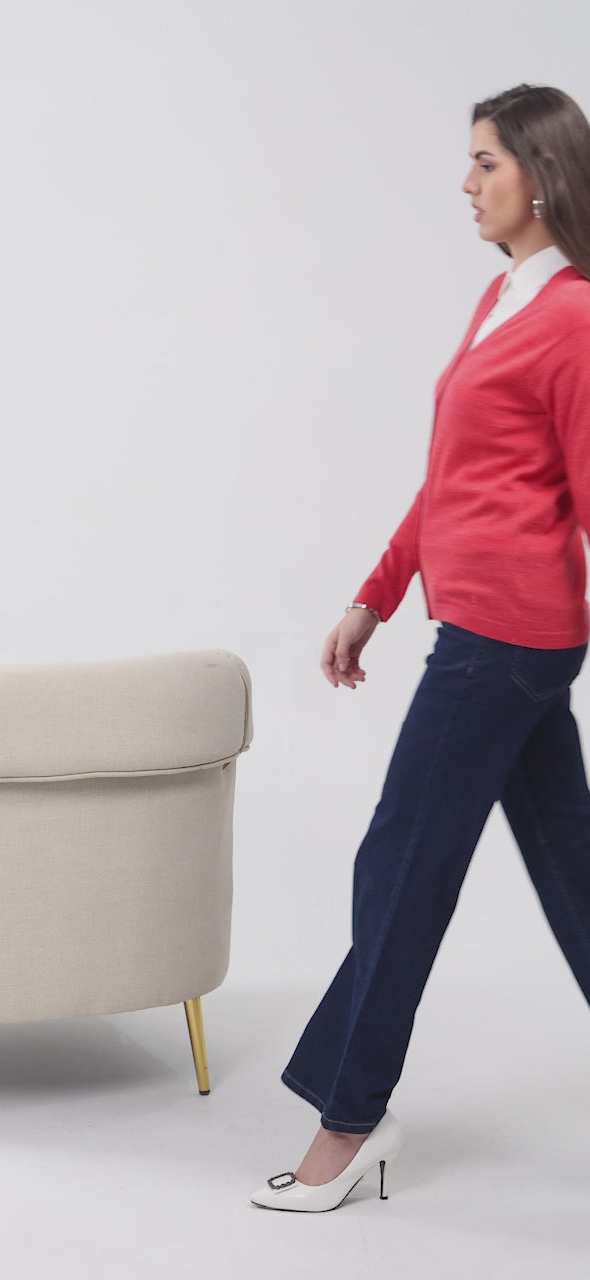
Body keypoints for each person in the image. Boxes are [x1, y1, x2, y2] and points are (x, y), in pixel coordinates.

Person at [251, 83, 590, 1213]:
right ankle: (353, 1106)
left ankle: (349, 1115)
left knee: (400, 865)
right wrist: (378, 594)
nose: (466, 182)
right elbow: (454, 479)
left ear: (543, 172)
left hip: (504, 639)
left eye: (486, 162)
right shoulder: (503, 298)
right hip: (497, 634)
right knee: (575, 874)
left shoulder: (575, 317)